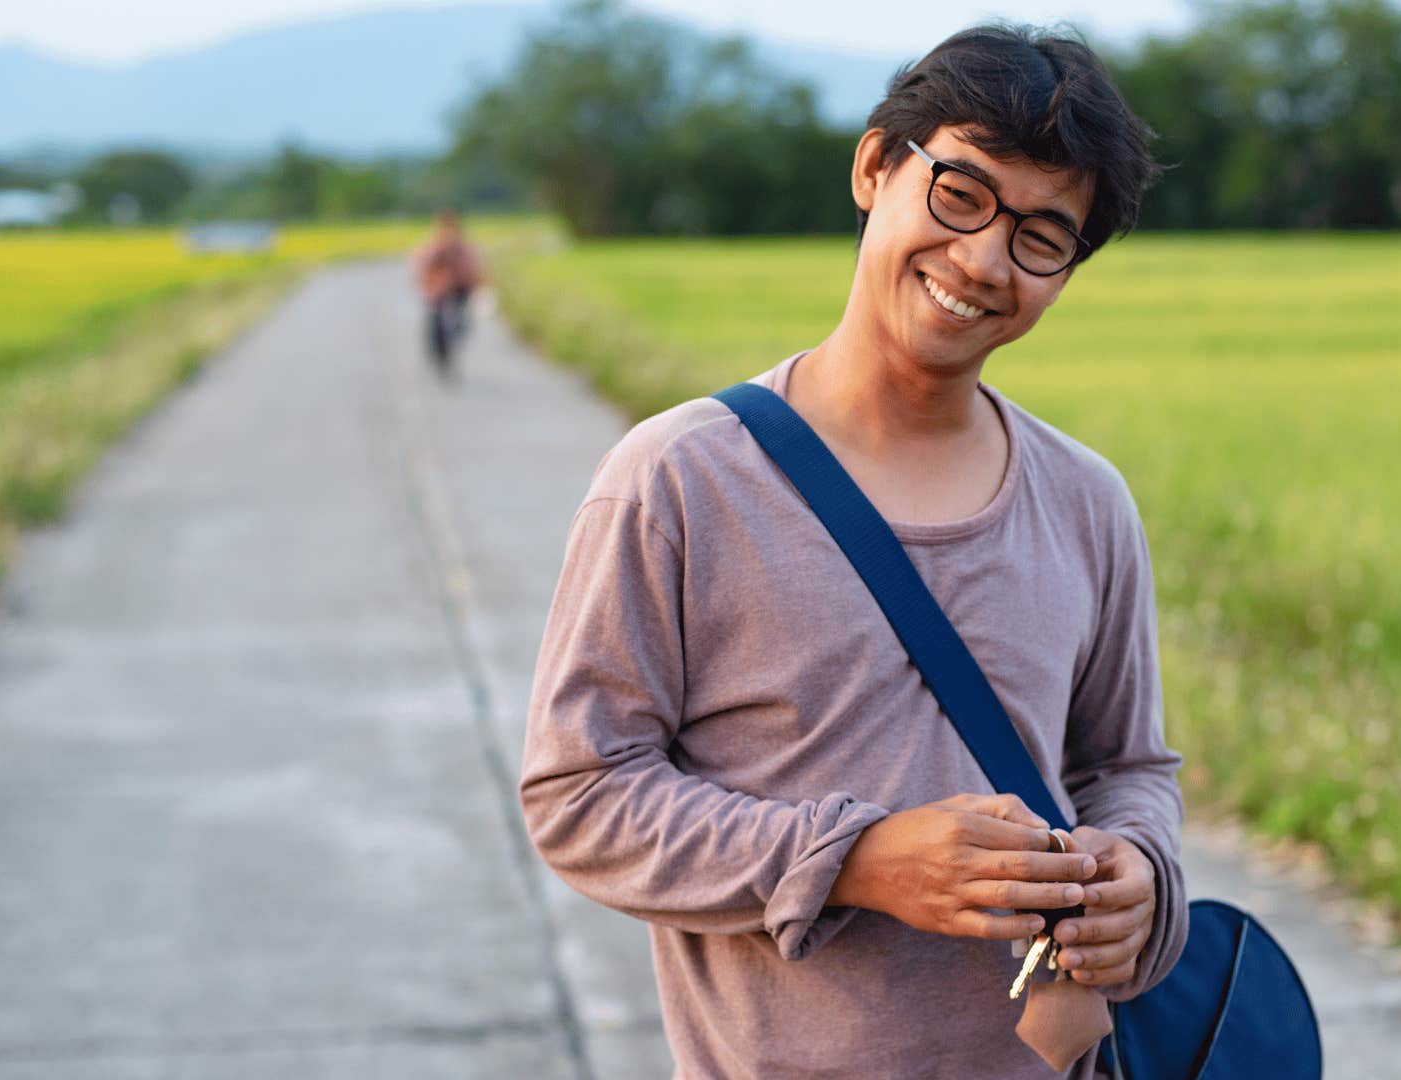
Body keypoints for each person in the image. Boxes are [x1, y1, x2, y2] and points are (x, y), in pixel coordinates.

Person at [521, 24, 1185, 1078]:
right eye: (960, 193)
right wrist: (857, 861)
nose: (983, 259)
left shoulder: (1085, 502)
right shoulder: (678, 482)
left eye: (1041, 236)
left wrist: (1143, 877)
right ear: (877, 166)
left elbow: (1126, 766)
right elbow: (580, 794)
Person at [410, 209, 484, 376]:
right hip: (437, 291)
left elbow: (473, 269)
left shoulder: (464, 247)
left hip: (459, 289)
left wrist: (473, 284)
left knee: (461, 323)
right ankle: (439, 353)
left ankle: (451, 346)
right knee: (435, 324)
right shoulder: (433, 245)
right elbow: (421, 266)